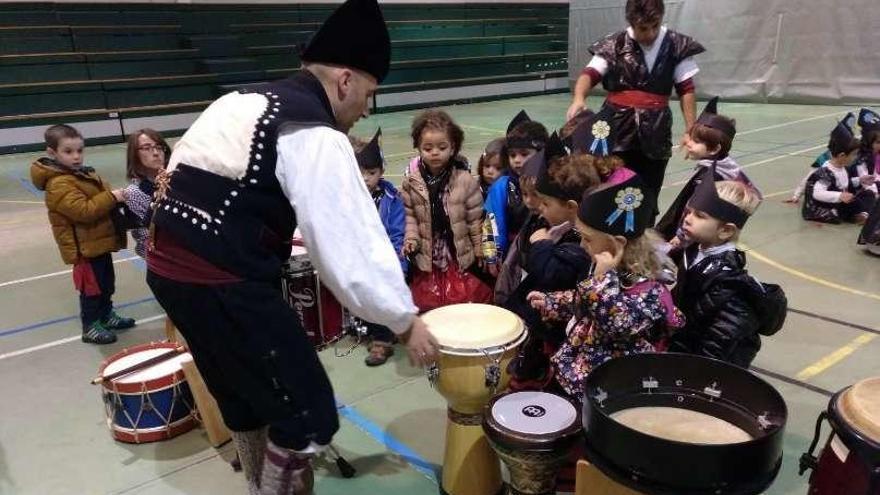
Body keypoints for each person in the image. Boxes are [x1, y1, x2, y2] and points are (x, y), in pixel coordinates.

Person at [144, 1, 438, 493]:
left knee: (239, 395)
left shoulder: (240, 98)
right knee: (309, 412)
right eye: (368, 93)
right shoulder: (313, 130)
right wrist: (403, 321)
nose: (366, 107)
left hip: (167, 272)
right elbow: (347, 242)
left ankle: (257, 481)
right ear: (345, 81)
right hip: (224, 280)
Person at [529, 174, 684, 403]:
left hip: (608, 387)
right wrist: (554, 302)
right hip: (580, 371)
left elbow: (618, 324)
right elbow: (585, 300)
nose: (582, 245)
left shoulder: (650, 289)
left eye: (588, 239)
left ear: (617, 243)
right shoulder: (606, 269)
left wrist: (602, 280)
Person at [566, 0, 705, 218]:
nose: (649, 33)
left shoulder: (677, 45)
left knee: (649, 188)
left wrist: (690, 128)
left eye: (654, 26)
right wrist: (578, 97)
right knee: (608, 182)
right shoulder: (613, 44)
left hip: (656, 131)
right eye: (643, 28)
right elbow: (589, 74)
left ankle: (644, 231)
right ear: (631, 22)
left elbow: (686, 88)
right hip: (615, 127)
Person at [30, 124, 134, 345]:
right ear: (52, 153)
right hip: (84, 248)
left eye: (79, 150)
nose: (76, 156)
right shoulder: (58, 183)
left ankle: (106, 315)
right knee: (91, 290)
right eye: (68, 152)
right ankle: (90, 326)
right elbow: (83, 211)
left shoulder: (78, 174)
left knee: (106, 284)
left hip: (98, 242)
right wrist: (113, 197)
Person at [669, 176, 786, 367]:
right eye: (689, 212)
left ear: (725, 231)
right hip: (685, 344)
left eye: (699, 215)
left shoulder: (730, 285)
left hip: (705, 365)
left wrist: (698, 369)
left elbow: (723, 338)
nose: (687, 219)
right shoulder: (693, 252)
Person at [402, 109, 492, 311]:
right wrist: (411, 240)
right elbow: (410, 218)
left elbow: (475, 218)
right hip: (428, 251)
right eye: (428, 148)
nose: (435, 152)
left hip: (457, 251)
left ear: (453, 148)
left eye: (442, 147)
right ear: (418, 148)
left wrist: (479, 247)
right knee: (428, 302)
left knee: (463, 299)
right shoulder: (411, 183)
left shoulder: (465, 181)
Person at [656, 97, 759, 245]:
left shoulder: (715, 177)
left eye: (696, 142)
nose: (688, 144)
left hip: (692, 239)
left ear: (714, 149)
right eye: (690, 139)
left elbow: (701, 214)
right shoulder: (711, 168)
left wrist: (681, 236)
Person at [351, 129, 407, 366]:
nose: (365, 178)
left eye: (371, 173)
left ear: (381, 172)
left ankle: (382, 340)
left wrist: (395, 264)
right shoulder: (347, 196)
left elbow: (397, 232)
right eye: (360, 173)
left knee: (382, 295)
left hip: (385, 259)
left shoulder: (391, 199)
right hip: (357, 258)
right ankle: (364, 326)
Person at [483, 110, 549, 271]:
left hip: (544, 253)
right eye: (512, 155)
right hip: (511, 257)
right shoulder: (503, 185)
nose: (517, 160)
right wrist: (492, 254)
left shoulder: (550, 183)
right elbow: (491, 221)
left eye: (524, 154)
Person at [802, 117, 876, 224]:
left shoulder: (843, 168)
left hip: (843, 200)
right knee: (851, 205)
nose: (855, 157)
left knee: (868, 194)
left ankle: (862, 215)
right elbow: (817, 193)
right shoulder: (826, 171)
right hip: (828, 204)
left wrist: (860, 180)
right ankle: (859, 215)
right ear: (842, 155)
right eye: (853, 155)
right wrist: (839, 196)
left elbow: (845, 183)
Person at [119, 129, 170, 258]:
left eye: (159, 147)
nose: (155, 152)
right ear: (134, 155)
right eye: (146, 148)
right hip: (161, 261)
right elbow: (145, 241)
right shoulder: (133, 193)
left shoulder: (178, 180)